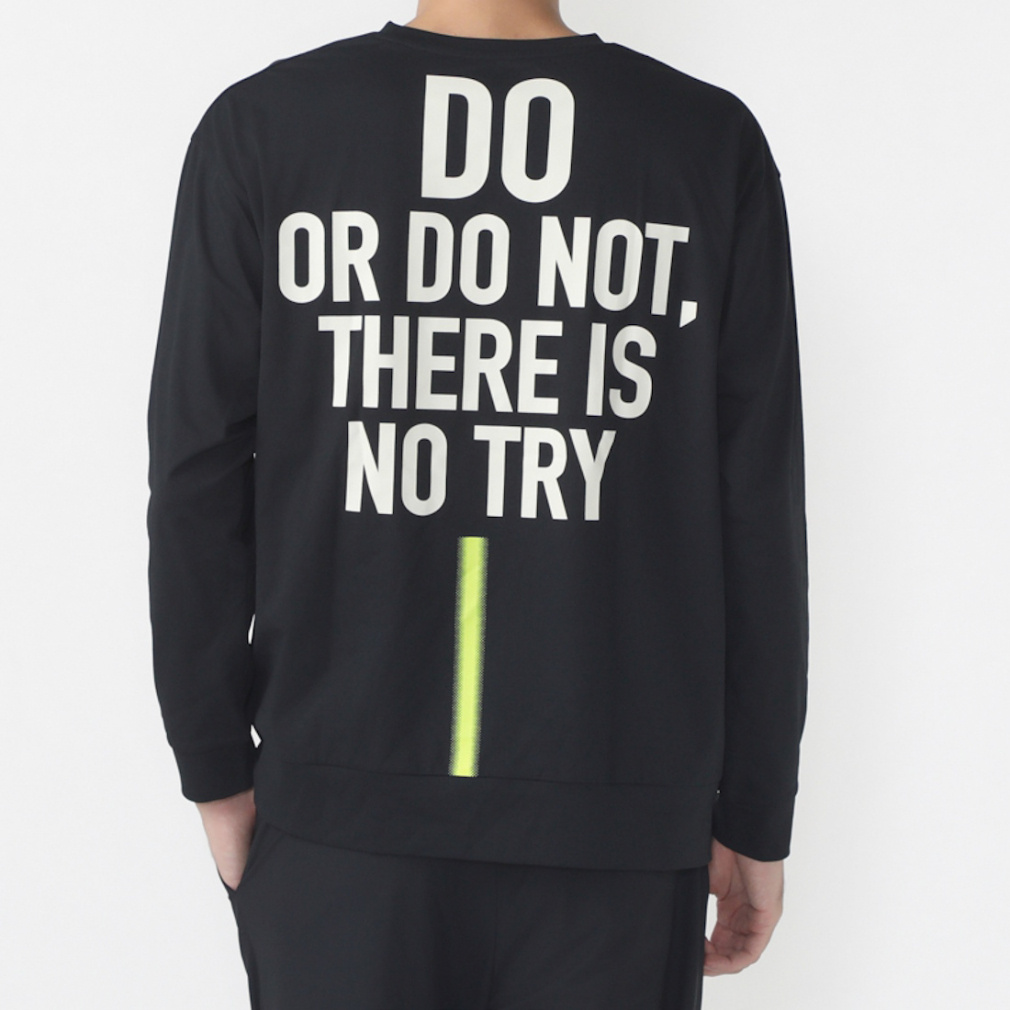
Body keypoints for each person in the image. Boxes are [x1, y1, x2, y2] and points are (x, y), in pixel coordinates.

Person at [147, 0, 809, 1006]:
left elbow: (195, 474)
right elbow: (755, 507)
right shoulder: (703, 141)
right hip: (612, 826)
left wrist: (215, 770)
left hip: (340, 819)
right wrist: (755, 811)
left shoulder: (266, 126)